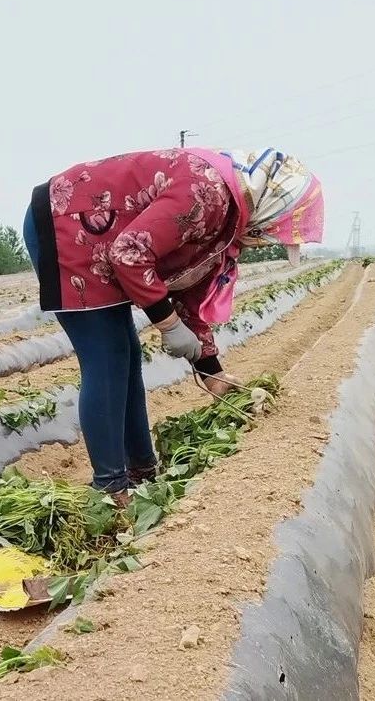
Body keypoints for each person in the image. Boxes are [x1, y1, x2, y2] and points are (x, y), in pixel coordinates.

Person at [23, 147, 324, 502]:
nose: (265, 240)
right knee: (108, 356)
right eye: (274, 231)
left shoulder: (229, 217)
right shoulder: (209, 193)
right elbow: (130, 253)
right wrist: (167, 323)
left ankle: (141, 469)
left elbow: (191, 289)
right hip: (68, 224)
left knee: (126, 354)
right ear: (274, 207)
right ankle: (111, 488)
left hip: (100, 240)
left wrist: (212, 371)